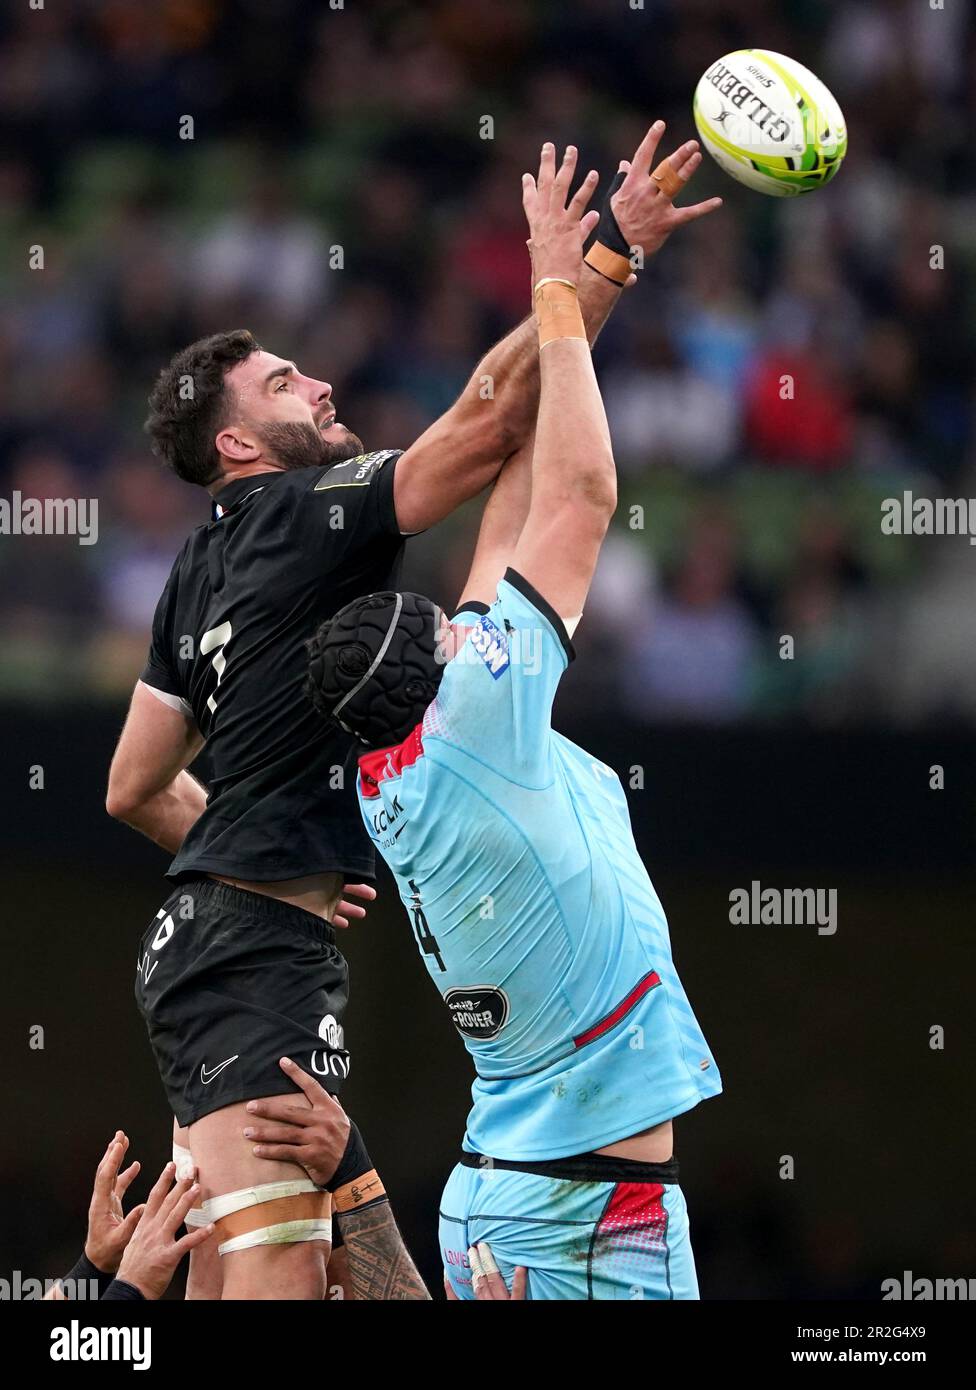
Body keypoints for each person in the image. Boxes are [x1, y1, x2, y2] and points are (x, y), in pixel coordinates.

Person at [106, 126, 718, 1300]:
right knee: (279, 1271)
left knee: (240, 1264)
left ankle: (109, 1304)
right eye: (285, 381)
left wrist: (247, 856)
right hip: (261, 960)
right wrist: (589, 268)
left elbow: (130, 784)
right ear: (237, 444)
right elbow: (500, 434)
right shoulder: (300, 527)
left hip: (221, 942)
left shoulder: (199, 572)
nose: (319, 382)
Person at [304, 138, 723, 1299]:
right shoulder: (479, 713)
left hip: (534, 1191)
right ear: (442, 669)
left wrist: (608, 261)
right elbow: (581, 495)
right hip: (583, 1213)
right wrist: (552, 281)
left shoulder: (406, 756)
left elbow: (510, 496)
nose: (464, 615)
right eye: (446, 625)